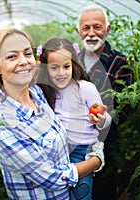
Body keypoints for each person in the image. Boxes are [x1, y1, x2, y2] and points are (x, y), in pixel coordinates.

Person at [0, 27, 105, 200]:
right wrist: (96, 161)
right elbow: (51, 179)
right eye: (11, 56)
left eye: (27, 53)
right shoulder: (2, 123)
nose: (23, 61)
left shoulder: (38, 94)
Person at [36, 37, 112, 200]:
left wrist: (101, 119)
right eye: (54, 68)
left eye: (66, 66)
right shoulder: (45, 91)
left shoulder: (85, 88)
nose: (61, 73)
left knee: (81, 195)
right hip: (57, 152)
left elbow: (105, 120)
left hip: (82, 152)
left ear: (73, 65)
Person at [75, 4, 134, 200]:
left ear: (107, 30)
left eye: (97, 27)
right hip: (72, 142)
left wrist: (102, 118)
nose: (91, 33)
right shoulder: (72, 62)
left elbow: (123, 111)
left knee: (103, 190)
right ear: (78, 32)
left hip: (105, 142)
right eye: (86, 28)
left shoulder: (119, 62)